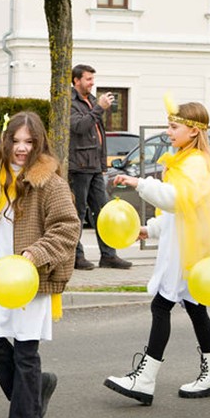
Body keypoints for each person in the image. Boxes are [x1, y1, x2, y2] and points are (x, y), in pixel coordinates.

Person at [104, 101, 210, 405]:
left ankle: (145, 380)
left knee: (162, 306)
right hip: (184, 246)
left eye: (174, 127)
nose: (168, 132)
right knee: (195, 308)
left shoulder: (196, 163)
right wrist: (152, 229)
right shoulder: (185, 160)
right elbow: (179, 211)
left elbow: (176, 200)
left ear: (193, 130)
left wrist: (139, 182)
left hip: (187, 251)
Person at [0, 112, 81, 418]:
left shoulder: (51, 183)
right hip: (2, 280)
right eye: (15, 141)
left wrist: (33, 256)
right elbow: (1, 226)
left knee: (24, 349)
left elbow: (67, 227)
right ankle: (34, 393)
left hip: (31, 279)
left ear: (39, 144)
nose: (21, 148)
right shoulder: (1, 179)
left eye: (28, 142)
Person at [69, 64, 130, 270]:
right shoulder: (70, 101)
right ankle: (76, 256)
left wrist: (103, 164)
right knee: (77, 213)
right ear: (76, 80)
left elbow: (98, 133)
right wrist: (98, 109)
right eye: (88, 79)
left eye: (92, 79)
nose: (92, 83)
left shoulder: (92, 100)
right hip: (78, 165)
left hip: (94, 165)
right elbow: (79, 126)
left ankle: (108, 255)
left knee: (103, 211)